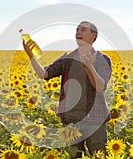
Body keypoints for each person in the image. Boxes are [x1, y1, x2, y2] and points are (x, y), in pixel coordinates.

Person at [22, 21, 112, 158]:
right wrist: (31, 56)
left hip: (95, 120)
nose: (78, 32)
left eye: (83, 30)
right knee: (73, 156)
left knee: (99, 155)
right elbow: (44, 74)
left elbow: (100, 86)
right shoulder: (67, 58)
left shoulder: (102, 59)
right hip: (71, 120)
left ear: (94, 35)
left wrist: (89, 66)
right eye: (77, 30)